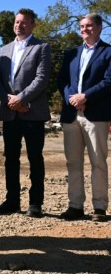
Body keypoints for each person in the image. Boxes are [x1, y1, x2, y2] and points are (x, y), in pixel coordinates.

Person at [0, 8, 52, 218]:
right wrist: (10, 100)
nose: (20, 25)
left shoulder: (41, 47)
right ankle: (12, 200)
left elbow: (42, 79)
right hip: (11, 113)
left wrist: (21, 99)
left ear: (33, 25)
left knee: (35, 158)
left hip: (32, 112)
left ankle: (35, 203)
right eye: (17, 22)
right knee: (11, 158)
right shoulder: (4, 49)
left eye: (24, 22)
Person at [57, 13, 111, 223]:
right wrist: (72, 98)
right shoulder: (71, 53)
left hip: (95, 115)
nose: (84, 29)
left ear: (99, 27)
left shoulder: (108, 52)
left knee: (98, 161)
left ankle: (99, 207)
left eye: (89, 26)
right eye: (81, 26)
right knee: (73, 162)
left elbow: (108, 81)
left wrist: (85, 96)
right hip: (71, 115)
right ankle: (75, 206)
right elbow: (62, 81)